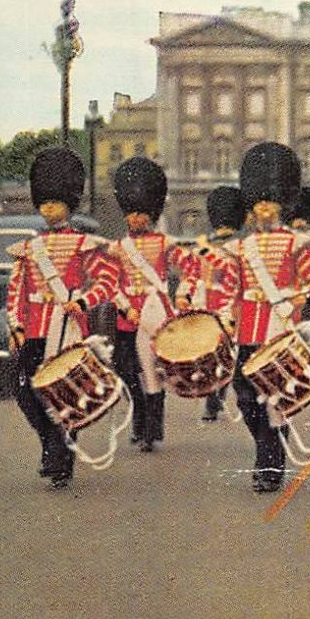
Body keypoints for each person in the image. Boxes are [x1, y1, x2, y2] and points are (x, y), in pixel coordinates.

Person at [4, 148, 119, 488]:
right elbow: (16, 290)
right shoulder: (28, 248)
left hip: (66, 326)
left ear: (68, 205)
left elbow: (107, 282)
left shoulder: (84, 244)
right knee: (24, 389)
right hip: (35, 328)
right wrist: (16, 324)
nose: (48, 209)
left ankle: (59, 458)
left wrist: (83, 301)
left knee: (61, 394)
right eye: (44, 203)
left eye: (55, 203)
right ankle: (50, 442)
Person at [229, 143, 310, 494]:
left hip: (279, 327)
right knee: (245, 397)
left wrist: (294, 300)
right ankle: (264, 448)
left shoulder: (297, 243)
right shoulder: (242, 246)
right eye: (258, 202)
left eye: (269, 201)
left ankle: (271, 463)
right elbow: (232, 287)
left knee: (276, 398)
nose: (263, 208)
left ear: (280, 204)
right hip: (249, 329)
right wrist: (227, 317)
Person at [107, 156, 190, 453]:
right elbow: (110, 281)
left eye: (142, 213)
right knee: (127, 371)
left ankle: (152, 429)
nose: (136, 219)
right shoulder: (117, 248)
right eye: (132, 213)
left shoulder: (164, 242)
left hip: (156, 316)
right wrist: (122, 305)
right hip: (127, 318)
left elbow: (189, 268)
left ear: (151, 214)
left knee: (153, 372)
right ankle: (140, 418)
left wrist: (183, 293)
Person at [187, 186, 243, 423]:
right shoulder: (242, 247)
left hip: (213, 305)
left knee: (214, 354)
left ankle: (214, 398)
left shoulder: (202, 247)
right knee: (224, 354)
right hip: (231, 307)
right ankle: (216, 397)